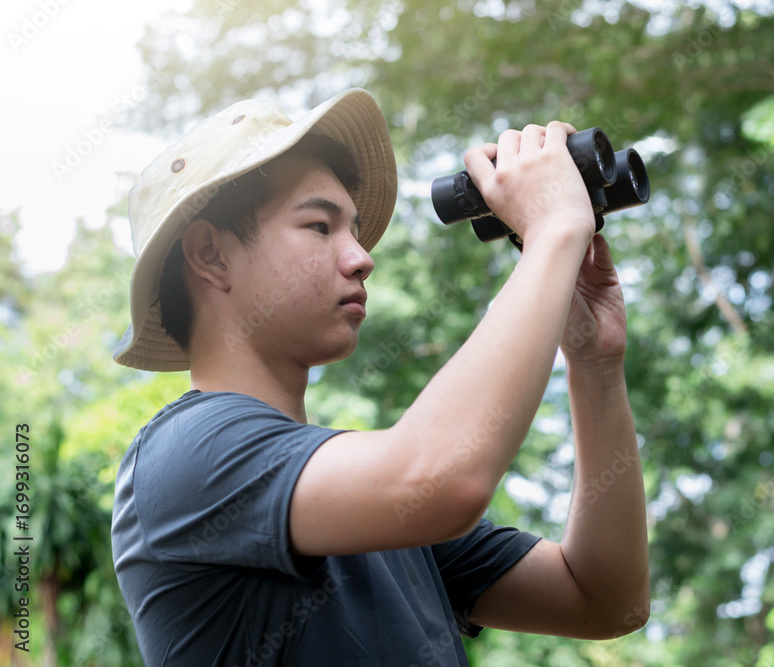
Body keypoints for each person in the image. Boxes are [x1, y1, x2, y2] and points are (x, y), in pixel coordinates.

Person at [111, 87, 649, 666]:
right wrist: (553, 232)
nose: (362, 257)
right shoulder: (187, 450)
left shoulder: (362, 496)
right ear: (211, 254)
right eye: (320, 226)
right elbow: (442, 480)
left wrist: (594, 363)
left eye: (356, 231)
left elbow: (603, 601)